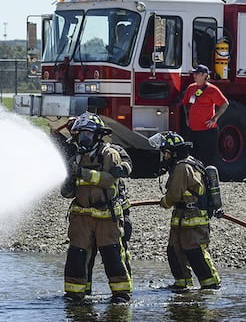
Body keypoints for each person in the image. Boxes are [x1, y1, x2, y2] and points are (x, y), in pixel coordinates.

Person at [60, 112, 132, 303]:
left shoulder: (109, 154)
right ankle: (75, 293)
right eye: (81, 134)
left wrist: (82, 173)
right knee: (77, 255)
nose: (83, 138)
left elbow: (109, 180)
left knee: (112, 255)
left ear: (97, 135)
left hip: (106, 217)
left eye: (87, 134)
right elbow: (68, 192)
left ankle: (121, 294)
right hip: (82, 217)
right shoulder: (77, 157)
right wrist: (68, 181)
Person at [148, 131, 221, 291]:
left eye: (166, 153)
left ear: (174, 153)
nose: (164, 157)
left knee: (195, 253)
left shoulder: (182, 167)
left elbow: (173, 195)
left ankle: (211, 285)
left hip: (193, 219)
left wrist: (164, 202)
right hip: (181, 218)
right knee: (174, 251)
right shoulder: (185, 164)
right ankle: (182, 284)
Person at [181, 64, 229, 166]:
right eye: (194, 74)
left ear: (204, 75)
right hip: (192, 131)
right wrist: (187, 118)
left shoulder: (212, 90)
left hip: (207, 131)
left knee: (206, 160)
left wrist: (215, 118)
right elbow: (185, 104)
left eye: (197, 74)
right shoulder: (191, 88)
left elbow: (225, 103)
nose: (194, 76)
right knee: (191, 158)